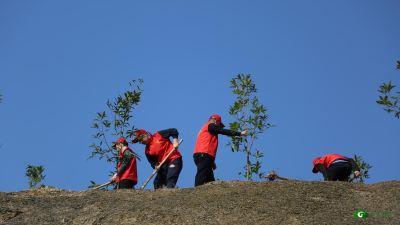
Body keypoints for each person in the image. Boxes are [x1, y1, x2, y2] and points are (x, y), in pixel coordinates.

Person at [193, 115, 247, 186]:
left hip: (202, 155)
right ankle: (196, 192)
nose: (219, 127)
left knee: (210, 180)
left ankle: (210, 195)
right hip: (203, 154)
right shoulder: (211, 126)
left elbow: (206, 144)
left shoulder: (205, 128)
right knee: (201, 175)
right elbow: (224, 131)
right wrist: (240, 133)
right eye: (219, 125)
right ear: (216, 121)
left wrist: (211, 162)